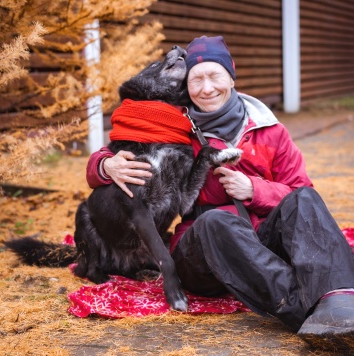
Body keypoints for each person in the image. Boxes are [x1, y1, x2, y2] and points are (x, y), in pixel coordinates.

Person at [86, 36, 354, 351]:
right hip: (201, 254)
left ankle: (339, 306)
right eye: (196, 80)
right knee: (215, 220)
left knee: (305, 200)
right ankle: (305, 311)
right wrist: (106, 166)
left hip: (259, 239)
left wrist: (254, 189)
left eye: (215, 76)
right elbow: (108, 153)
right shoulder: (173, 128)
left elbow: (301, 193)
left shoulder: (270, 130)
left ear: (231, 77)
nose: (207, 88)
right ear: (186, 87)